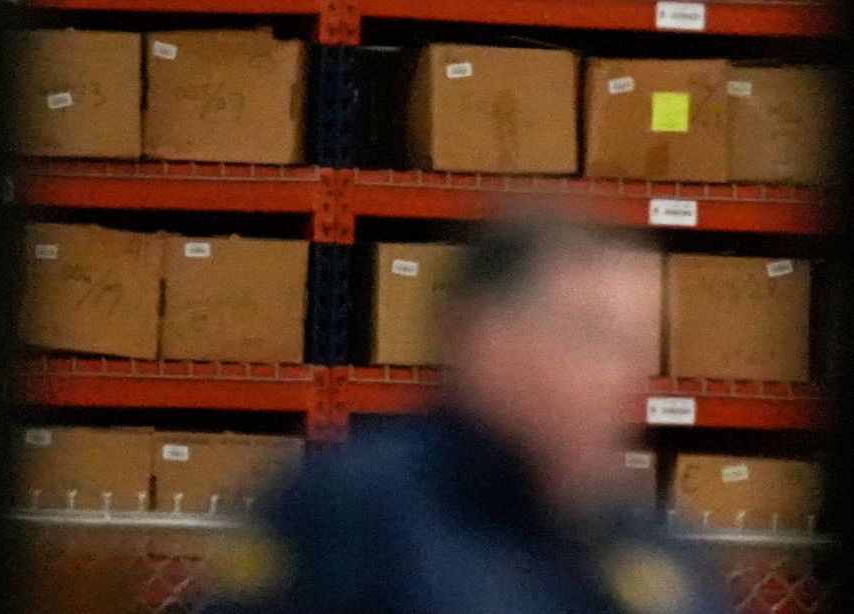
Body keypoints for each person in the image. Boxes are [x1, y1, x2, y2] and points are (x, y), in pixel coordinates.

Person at [202, 212, 728, 613]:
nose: (618, 378)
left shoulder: (652, 552)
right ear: (482, 337)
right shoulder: (347, 515)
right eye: (590, 337)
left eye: (632, 347)